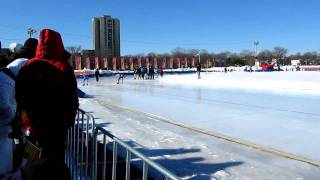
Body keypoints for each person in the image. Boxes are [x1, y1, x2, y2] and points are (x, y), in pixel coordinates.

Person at [15, 29, 79, 167]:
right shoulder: (64, 68)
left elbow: (18, 95)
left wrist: (23, 117)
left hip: (31, 125)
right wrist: (68, 121)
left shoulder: (28, 65)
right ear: (59, 44)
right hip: (56, 127)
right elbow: (71, 99)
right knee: (53, 163)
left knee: (31, 161)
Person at [0, 38, 38, 177]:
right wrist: (13, 119)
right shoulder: (5, 80)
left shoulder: (10, 78)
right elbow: (3, 105)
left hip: (8, 129)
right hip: (3, 131)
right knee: (5, 163)